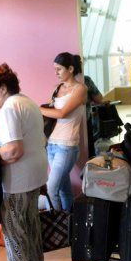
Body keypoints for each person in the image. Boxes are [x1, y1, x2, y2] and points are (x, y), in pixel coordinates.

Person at [0, 63, 49, 261]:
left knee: (13, 229)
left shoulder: (10, 108)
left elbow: (13, 150)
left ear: (2, 87)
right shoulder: (26, 101)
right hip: (34, 174)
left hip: (18, 180)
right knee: (30, 227)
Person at [40, 52, 87, 211]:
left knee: (51, 189)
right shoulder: (58, 89)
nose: (56, 73)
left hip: (67, 146)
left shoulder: (80, 89)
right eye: (55, 69)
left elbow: (61, 113)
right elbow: (51, 114)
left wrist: (37, 109)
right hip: (51, 144)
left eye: (59, 69)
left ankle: (56, 226)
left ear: (71, 68)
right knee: (63, 189)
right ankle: (69, 227)